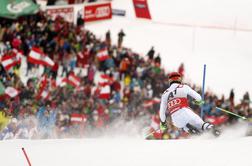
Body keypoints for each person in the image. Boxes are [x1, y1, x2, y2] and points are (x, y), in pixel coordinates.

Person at [159, 72, 220, 136]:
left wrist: (163, 123)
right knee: (201, 124)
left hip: (175, 119)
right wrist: (198, 102)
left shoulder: (165, 93)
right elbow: (199, 98)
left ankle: (191, 130)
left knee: (183, 126)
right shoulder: (184, 87)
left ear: (170, 80)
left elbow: (162, 112)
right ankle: (215, 132)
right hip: (185, 111)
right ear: (179, 79)